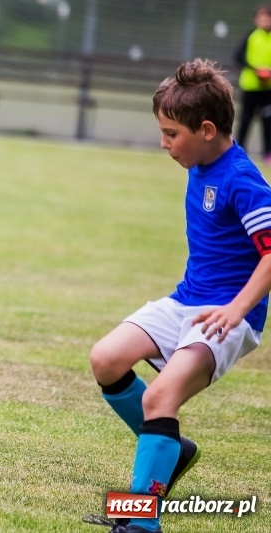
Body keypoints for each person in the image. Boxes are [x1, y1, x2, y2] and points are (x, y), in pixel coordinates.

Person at [83, 58, 271, 533]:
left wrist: (236, 309)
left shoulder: (243, 181)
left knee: (160, 397)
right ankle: (171, 451)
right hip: (186, 298)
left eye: (171, 134)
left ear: (207, 129)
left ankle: (139, 522)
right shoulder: (202, 160)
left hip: (228, 316)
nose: (164, 144)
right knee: (106, 358)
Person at [234, 4, 271, 165]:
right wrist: (256, 70)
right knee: (245, 121)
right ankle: (239, 152)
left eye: (267, 17)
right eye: (261, 17)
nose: (264, 20)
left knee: (268, 122)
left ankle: (268, 153)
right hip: (250, 87)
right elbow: (238, 57)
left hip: (268, 89)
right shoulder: (250, 36)